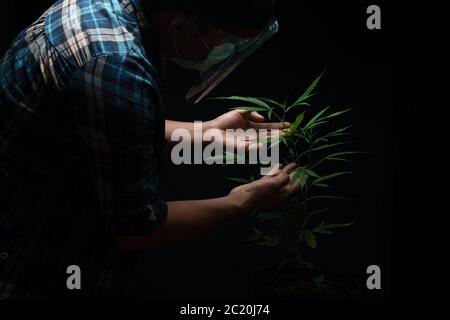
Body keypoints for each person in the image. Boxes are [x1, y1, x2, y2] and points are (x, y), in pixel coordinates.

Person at [0, 0, 300, 299]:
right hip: (34, 256)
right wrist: (242, 200)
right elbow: (137, 228)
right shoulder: (116, 66)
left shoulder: (105, 12)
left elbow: (101, 126)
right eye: (228, 42)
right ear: (180, 27)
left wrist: (206, 130)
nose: (227, 51)